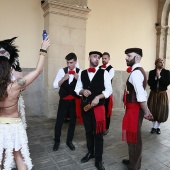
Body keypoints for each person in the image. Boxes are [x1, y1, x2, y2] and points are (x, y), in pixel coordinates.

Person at [0, 36, 50, 170]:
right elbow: (38, 70)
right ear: (8, 69)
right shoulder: (15, 86)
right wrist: (43, 49)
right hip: (14, 126)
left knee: (1, 157)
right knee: (18, 156)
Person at [75, 51, 112, 170]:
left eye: (99, 57)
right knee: (88, 131)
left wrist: (98, 97)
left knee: (98, 134)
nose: (97, 59)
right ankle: (90, 152)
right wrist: (82, 91)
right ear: (89, 58)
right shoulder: (82, 73)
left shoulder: (104, 73)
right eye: (94, 57)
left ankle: (99, 159)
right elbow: (77, 88)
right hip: (85, 107)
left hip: (98, 108)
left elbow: (109, 90)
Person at [122, 48, 153, 170]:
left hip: (134, 110)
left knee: (134, 138)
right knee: (133, 137)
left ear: (137, 58)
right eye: (126, 56)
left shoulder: (135, 73)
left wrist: (146, 111)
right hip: (133, 109)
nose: (126, 58)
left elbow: (141, 95)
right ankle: (133, 160)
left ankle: (134, 166)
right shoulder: (137, 71)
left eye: (129, 56)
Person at [53, 53, 82, 151]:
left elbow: (82, 89)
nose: (69, 65)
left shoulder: (80, 72)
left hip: (73, 101)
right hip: (63, 101)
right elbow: (55, 85)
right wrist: (63, 79)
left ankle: (69, 141)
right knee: (59, 122)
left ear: (75, 62)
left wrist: (78, 80)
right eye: (67, 62)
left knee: (72, 122)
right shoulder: (62, 71)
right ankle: (56, 141)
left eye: (71, 62)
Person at [147, 58, 170, 134]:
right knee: (153, 109)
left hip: (162, 94)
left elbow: (167, 83)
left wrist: (159, 76)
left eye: (163, 62)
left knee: (161, 110)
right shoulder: (151, 72)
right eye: (160, 62)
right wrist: (156, 77)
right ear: (156, 63)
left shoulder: (167, 72)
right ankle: (153, 127)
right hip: (153, 93)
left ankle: (158, 127)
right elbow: (150, 83)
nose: (162, 63)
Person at [99, 52, 114, 135]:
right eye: (103, 58)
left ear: (108, 59)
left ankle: (106, 128)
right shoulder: (99, 67)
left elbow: (107, 79)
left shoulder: (111, 69)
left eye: (105, 58)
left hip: (107, 93)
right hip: (100, 93)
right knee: (100, 111)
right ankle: (100, 127)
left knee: (107, 111)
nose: (104, 60)